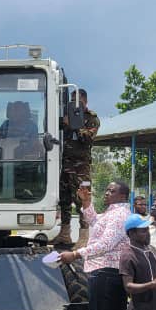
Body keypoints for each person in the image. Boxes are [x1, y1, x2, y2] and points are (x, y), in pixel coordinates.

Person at [60, 181, 130, 310]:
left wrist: (75, 254)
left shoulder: (119, 215)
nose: (106, 193)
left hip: (105, 273)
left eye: (112, 191)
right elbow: (94, 223)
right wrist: (87, 202)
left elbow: (106, 244)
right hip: (110, 274)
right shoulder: (111, 213)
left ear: (123, 195)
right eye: (107, 189)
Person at [52, 89, 99, 246]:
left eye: (78, 101)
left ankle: (84, 237)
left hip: (81, 168)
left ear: (85, 101)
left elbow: (86, 138)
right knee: (64, 200)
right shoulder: (66, 116)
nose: (75, 104)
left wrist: (73, 124)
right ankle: (64, 234)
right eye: (72, 101)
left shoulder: (91, 118)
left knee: (82, 201)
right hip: (66, 165)